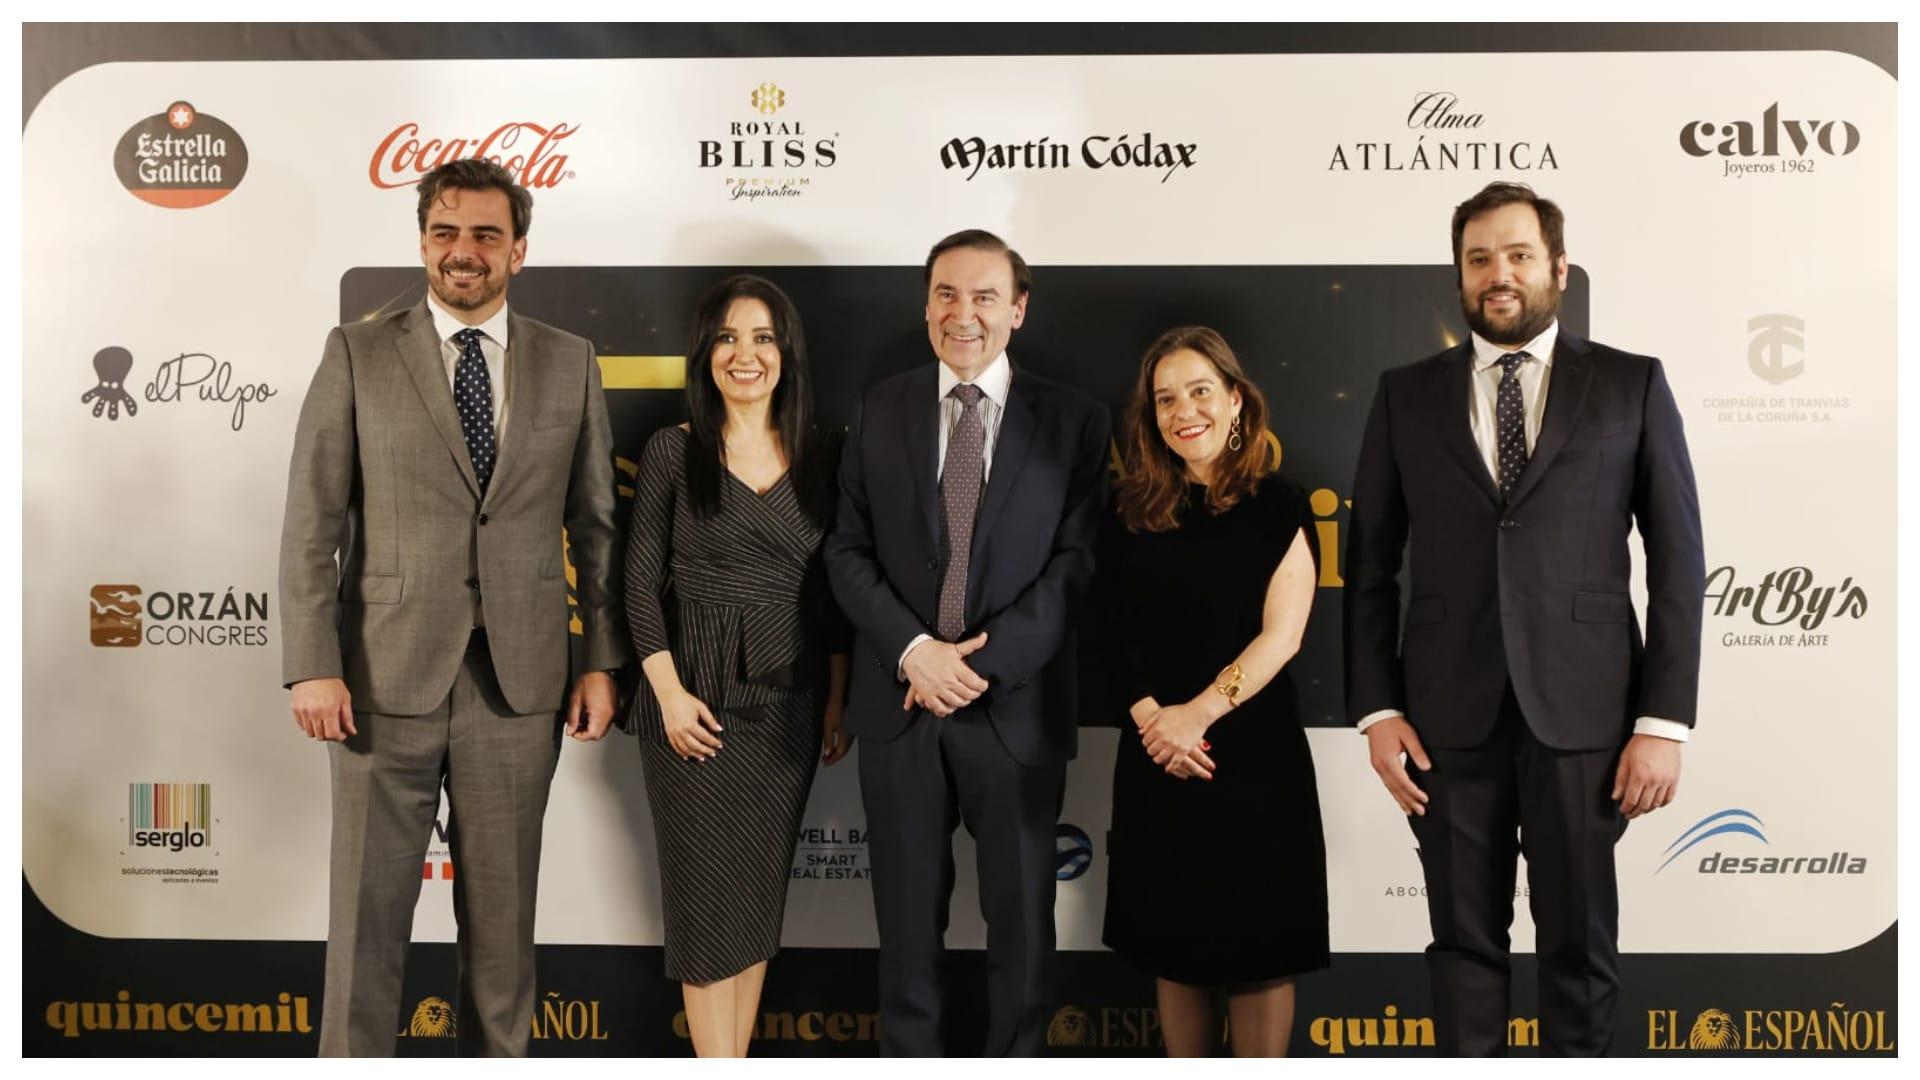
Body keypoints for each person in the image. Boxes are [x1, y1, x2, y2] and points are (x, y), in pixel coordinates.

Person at [1344, 181, 1705, 1055]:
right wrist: (1378, 708)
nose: (1496, 274)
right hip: (1444, 717)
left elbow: (1679, 563)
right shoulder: (1404, 394)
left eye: (1516, 255)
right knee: (1464, 947)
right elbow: (1369, 568)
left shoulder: (1632, 384)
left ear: (1558, 268)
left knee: (1579, 948)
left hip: (1586, 716)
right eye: (1477, 260)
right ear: (1459, 276)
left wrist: (1663, 722)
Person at [278, 157, 628, 1056]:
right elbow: (312, 516)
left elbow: (595, 528)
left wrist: (600, 661)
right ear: (423, 240)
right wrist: (313, 661)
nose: (463, 252)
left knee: (505, 940)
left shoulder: (569, 360)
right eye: (445, 232)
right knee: (366, 928)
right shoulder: (356, 350)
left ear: (519, 249)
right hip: (378, 677)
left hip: (518, 685)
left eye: (484, 234)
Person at [823, 229, 1110, 1056]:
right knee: (906, 933)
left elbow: (1076, 565)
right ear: (925, 307)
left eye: (986, 296)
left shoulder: (1075, 421)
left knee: (1023, 934)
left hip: (1012, 712)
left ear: (1018, 309)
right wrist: (916, 651)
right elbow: (845, 549)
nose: (964, 314)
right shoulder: (880, 408)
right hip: (901, 703)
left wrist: (973, 668)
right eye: (947, 294)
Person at [621, 274, 851, 1057]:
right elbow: (638, 585)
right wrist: (671, 697)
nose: (744, 354)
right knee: (704, 912)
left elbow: (835, 596)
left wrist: (836, 699)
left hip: (788, 708)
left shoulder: (826, 452)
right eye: (727, 337)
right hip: (694, 708)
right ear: (704, 352)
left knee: (754, 909)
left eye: (762, 337)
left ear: (787, 352)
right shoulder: (674, 450)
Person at [1097, 326, 1327, 1057]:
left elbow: (1283, 635)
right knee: (1176, 950)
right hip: (1157, 756)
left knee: (1262, 956)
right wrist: (1155, 725)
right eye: (1165, 398)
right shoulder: (1127, 509)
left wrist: (1195, 716)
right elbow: (1108, 634)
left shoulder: (1280, 503)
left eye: (1200, 391)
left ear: (1235, 400)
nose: (1183, 411)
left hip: (1255, 761)